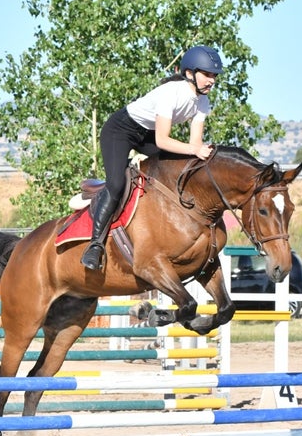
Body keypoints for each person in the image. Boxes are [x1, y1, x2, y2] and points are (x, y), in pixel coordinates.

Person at [81, 45, 223, 271]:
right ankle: (95, 245)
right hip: (120, 131)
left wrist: (202, 152)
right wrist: (195, 150)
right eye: (207, 74)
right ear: (189, 73)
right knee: (116, 185)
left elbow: (195, 145)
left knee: (181, 165)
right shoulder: (172, 93)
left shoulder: (203, 102)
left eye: (214, 76)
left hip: (146, 134)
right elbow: (163, 142)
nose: (212, 80)